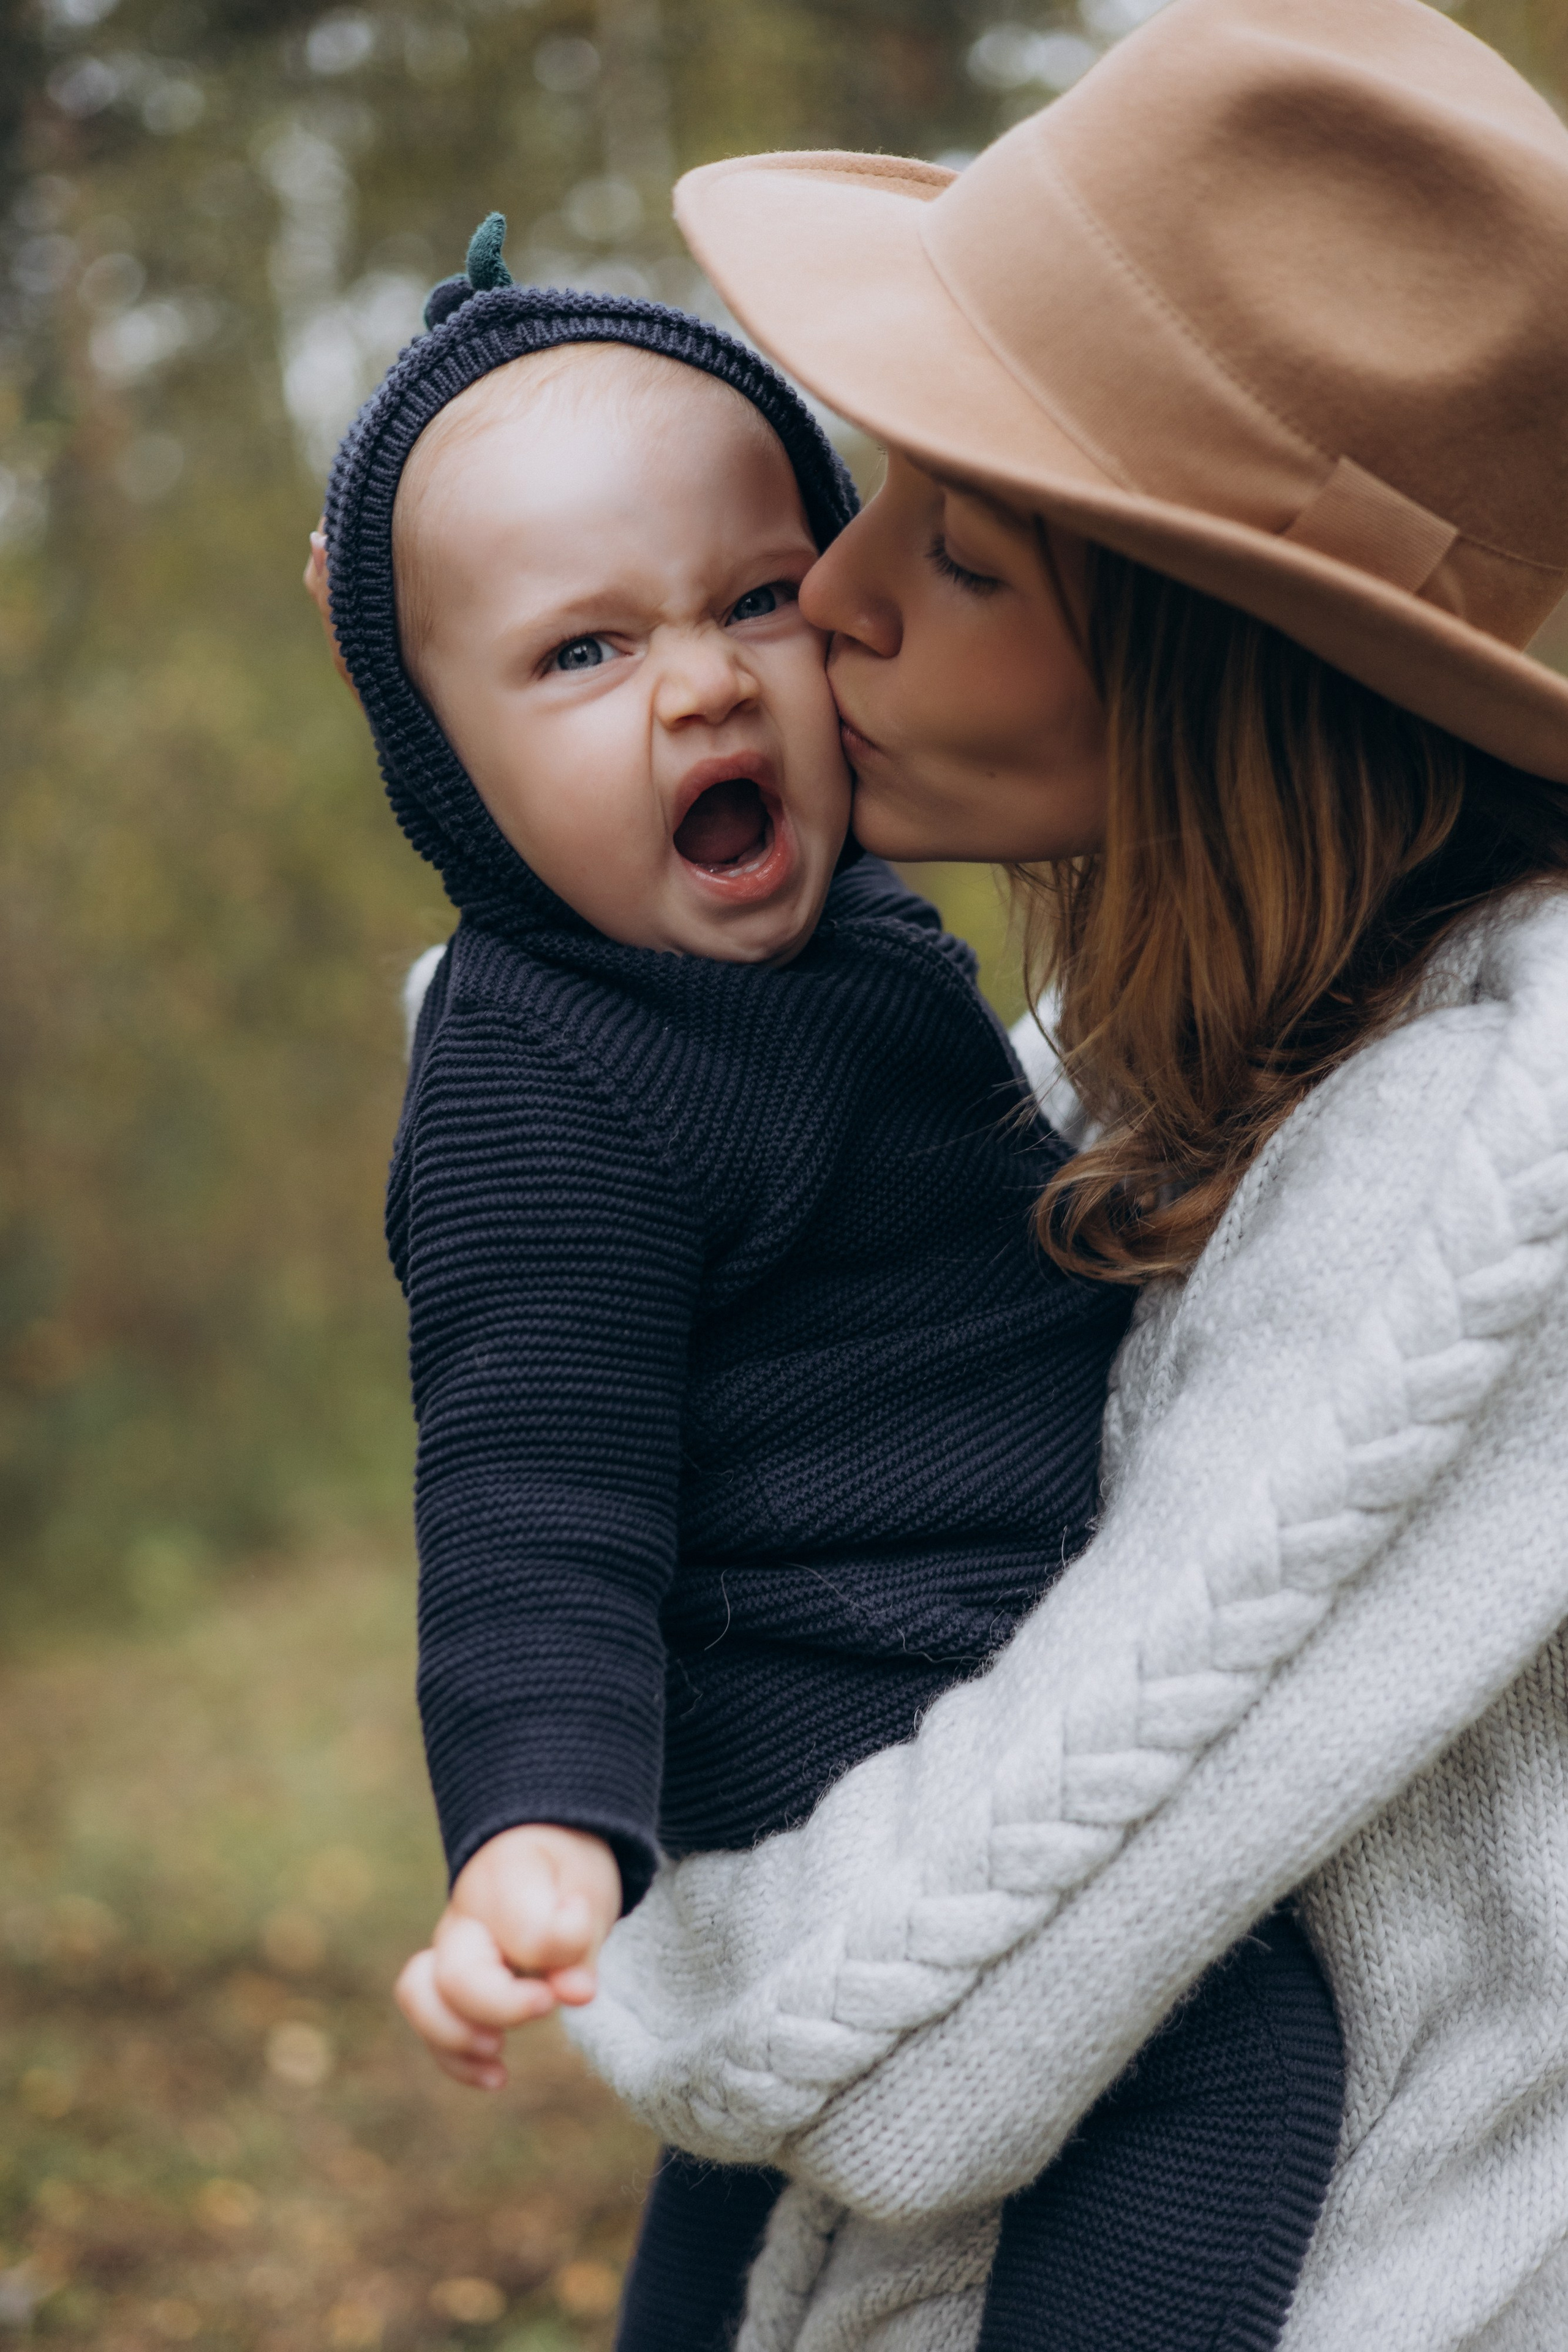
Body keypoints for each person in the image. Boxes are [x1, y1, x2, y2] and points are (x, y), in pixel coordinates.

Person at [564, 0, 1568, 2346]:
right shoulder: (1156, 1069)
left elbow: (971, 1995)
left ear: (1235, 668)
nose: (838, 595)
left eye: (978, 558)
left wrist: (599, 1932)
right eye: (878, 486)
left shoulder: (1477, 1152)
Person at [310, 234, 1341, 2350]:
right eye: (583, 653)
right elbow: (531, 1495)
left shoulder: (852, 924)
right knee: (1213, 2038)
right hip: (835, 1670)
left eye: (756, 597)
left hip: (975, 1609)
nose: (701, 682)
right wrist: (537, 1824)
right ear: (442, 753)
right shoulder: (545, 1073)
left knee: (771, 2177)